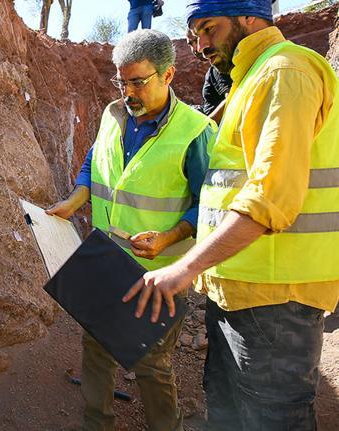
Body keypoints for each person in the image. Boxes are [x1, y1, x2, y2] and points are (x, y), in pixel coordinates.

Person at [123, 1, 339, 430]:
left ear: (249, 17)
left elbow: (269, 200)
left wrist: (185, 267)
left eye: (210, 29)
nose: (201, 45)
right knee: (229, 412)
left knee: (273, 419)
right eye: (195, 34)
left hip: (276, 297)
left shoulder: (284, 73)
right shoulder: (250, 81)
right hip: (240, 290)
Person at [46, 29, 216, 431]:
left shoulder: (194, 133)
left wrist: (169, 238)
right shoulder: (113, 114)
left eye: (138, 81)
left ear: (169, 75)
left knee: (151, 363)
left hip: (157, 274)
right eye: (121, 81)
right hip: (104, 260)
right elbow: (93, 161)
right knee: (96, 347)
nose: (128, 92)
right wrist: (75, 199)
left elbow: (210, 205)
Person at [186, 30, 232, 123]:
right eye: (190, 44)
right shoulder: (213, 69)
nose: (195, 48)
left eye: (196, 40)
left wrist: (205, 129)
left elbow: (232, 99)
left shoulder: (220, 67)